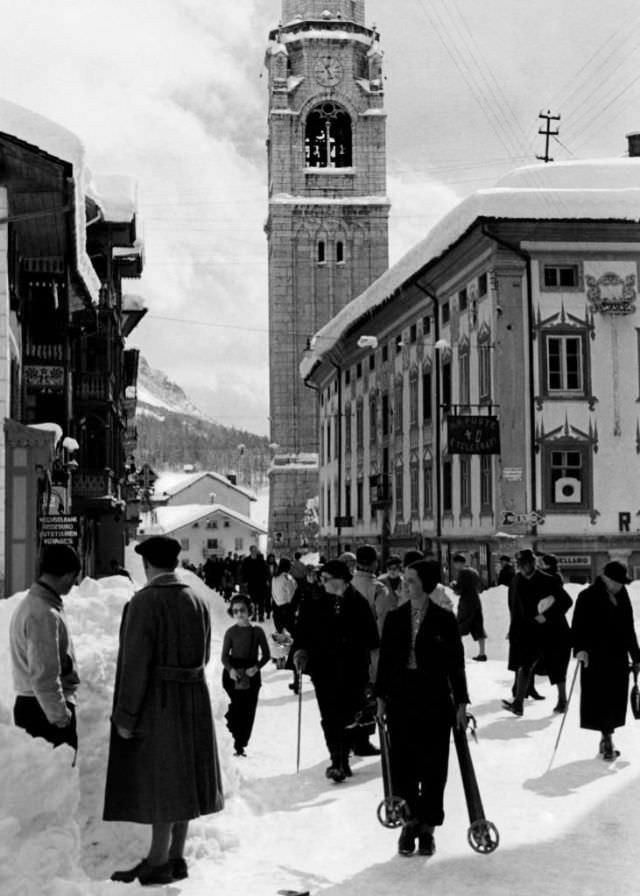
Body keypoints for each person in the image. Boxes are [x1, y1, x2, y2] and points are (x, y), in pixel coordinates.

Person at [104, 535, 224, 886]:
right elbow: (203, 656)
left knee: (163, 783)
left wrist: (125, 715)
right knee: (184, 780)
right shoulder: (197, 600)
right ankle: (176, 857)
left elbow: (134, 664)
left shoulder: (144, 602)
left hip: (160, 702)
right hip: (193, 698)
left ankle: (157, 862)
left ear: (147, 564)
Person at [376, 559, 470, 858]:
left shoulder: (444, 619)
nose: (406, 584)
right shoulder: (394, 618)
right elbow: (386, 665)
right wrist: (380, 699)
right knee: (403, 766)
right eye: (405, 579)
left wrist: (462, 701)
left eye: (412, 580)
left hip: (434, 701)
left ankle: (428, 828)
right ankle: (409, 823)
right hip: (401, 700)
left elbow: (456, 664)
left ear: (426, 584)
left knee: (433, 768)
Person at [293, 559, 379, 782]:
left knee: (350, 715)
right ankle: (337, 760)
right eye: (321, 579)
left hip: (353, 670)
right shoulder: (314, 599)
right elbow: (302, 629)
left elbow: (371, 639)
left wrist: (373, 672)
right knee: (329, 715)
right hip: (324, 668)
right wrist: (300, 650)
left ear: (341, 580)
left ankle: (345, 757)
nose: (321, 583)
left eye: (326, 579)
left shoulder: (358, 603)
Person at [10, 544, 81, 751]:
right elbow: (44, 674)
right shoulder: (44, 614)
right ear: (68, 575)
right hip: (44, 709)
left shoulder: (33, 605)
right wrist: (61, 716)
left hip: (34, 705)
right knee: (59, 780)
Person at [572, 561, 640, 760]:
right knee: (600, 698)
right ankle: (607, 738)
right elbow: (578, 627)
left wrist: (636, 656)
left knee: (616, 698)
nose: (621, 586)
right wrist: (580, 650)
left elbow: (629, 628)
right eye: (617, 582)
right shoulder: (587, 596)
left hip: (618, 656)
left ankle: (607, 736)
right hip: (596, 657)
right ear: (606, 579)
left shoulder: (622, 595)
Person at [503, 548, 573, 717]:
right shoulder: (516, 581)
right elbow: (514, 607)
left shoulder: (549, 580)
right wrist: (513, 629)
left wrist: (546, 616)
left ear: (532, 564)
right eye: (519, 565)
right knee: (524, 664)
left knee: (556, 666)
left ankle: (562, 701)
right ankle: (518, 703)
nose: (521, 568)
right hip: (528, 631)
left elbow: (566, 601)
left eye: (524, 564)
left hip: (552, 630)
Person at [221, 593, 271, 756]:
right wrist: (230, 670)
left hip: (250, 673)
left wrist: (256, 668)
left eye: (242, 610)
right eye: (235, 611)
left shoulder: (257, 631)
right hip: (234, 673)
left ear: (249, 610)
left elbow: (266, 655)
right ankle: (231, 743)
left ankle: (241, 743)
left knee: (248, 710)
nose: (239, 614)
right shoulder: (230, 632)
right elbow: (224, 656)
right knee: (233, 709)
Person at [451, 554, 487, 662]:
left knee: (458, 628)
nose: (454, 566)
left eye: (454, 563)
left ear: (458, 563)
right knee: (478, 628)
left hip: (466, 603)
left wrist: (453, 585)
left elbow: (459, 590)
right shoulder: (474, 572)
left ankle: (457, 654)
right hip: (476, 602)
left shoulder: (462, 573)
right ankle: (482, 653)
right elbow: (481, 587)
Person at [240, 545, 270, 622]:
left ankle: (261, 616)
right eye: (253, 550)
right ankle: (253, 615)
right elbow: (244, 571)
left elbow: (265, 570)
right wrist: (245, 581)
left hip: (261, 583)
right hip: (251, 583)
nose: (255, 551)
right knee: (253, 600)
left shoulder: (261, 559)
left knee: (261, 600)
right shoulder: (247, 560)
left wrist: (266, 580)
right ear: (250, 551)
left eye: (256, 550)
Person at [271, 557, 297, 634]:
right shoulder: (287, 577)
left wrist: (276, 600)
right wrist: (289, 602)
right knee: (289, 625)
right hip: (286, 604)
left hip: (276, 603)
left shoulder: (275, 576)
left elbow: (273, 591)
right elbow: (291, 590)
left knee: (279, 624)